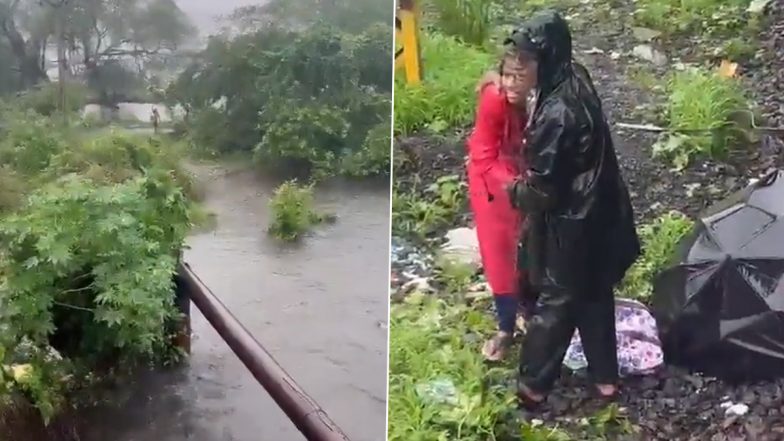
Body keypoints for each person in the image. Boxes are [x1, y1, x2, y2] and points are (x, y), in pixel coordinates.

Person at [505, 10, 641, 405]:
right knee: (594, 291)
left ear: (545, 60)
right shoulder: (574, 75)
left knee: (557, 301)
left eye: (527, 59)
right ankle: (605, 380)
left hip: (575, 219)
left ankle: (532, 387)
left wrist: (510, 189)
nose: (519, 65)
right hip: (600, 207)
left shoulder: (557, 113)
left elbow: (543, 190)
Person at [465, 46, 538, 362]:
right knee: (500, 255)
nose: (512, 84)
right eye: (508, 75)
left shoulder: (530, 101)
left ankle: (528, 308)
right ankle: (506, 328)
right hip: (492, 186)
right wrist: (515, 184)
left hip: (514, 178)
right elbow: (484, 154)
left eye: (520, 78)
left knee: (527, 247)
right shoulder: (494, 100)